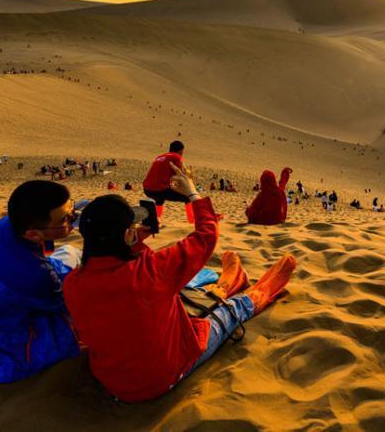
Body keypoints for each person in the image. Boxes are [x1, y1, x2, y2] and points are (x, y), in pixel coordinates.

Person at [64, 163, 296, 402]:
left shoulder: (72, 284)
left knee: (179, 298)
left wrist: (134, 237)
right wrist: (192, 193)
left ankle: (226, 284)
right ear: (126, 235)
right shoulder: (151, 271)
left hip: (116, 385)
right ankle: (258, 292)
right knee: (231, 311)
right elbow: (206, 236)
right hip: (166, 374)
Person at [0, 181, 81, 383]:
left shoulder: (3, 226)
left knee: (70, 253)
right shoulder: (35, 276)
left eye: (72, 209)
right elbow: (67, 302)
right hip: (0, 353)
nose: (73, 219)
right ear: (33, 234)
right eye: (66, 219)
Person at [143, 141, 189, 220]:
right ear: (180, 151)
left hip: (147, 189)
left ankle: (157, 219)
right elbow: (180, 174)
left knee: (160, 200)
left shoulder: (160, 157)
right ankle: (193, 222)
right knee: (188, 197)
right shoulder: (176, 157)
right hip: (159, 189)